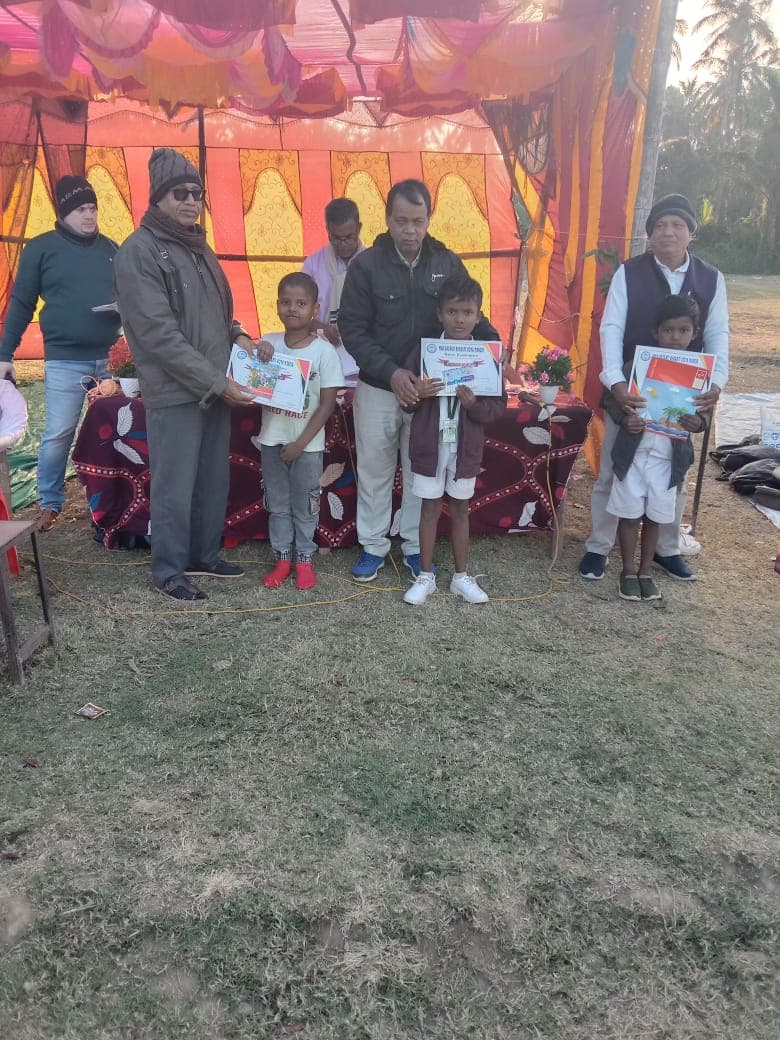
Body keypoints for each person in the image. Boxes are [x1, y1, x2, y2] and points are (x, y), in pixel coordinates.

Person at [113, 148, 266, 601]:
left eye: (197, 194)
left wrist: (239, 337)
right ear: (158, 197)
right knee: (175, 486)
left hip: (214, 387)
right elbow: (159, 336)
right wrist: (217, 383)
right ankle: (169, 571)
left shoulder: (199, 247)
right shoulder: (138, 252)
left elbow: (215, 316)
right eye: (180, 193)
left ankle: (203, 555)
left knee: (211, 480)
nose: (191, 201)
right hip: (177, 391)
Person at [579, 193, 729, 583]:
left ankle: (665, 548)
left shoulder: (711, 279)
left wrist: (715, 384)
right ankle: (599, 547)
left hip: (682, 393)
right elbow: (611, 328)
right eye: (660, 225)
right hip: (632, 388)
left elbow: (718, 335)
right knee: (615, 467)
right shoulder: (629, 273)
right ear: (650, 234)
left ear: (690, 233)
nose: (668, 232)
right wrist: (615, 382)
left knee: (672, 472)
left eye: (677, 225)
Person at [338, 178, 472, 582]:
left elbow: (470, 316)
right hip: (378, 388)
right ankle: (373, 545)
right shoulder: (365, 266)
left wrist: (489, 359)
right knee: (375, 470)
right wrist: (392, 372)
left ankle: (415, 546)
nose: (410, 231)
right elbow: (352, 329)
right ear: (387, 219)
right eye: (401, 221)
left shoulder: (447, 263)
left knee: (422, 472)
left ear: (429, 218)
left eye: (418, 221)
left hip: (430, 393)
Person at [0, 175, 121, 531]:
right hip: (65, 359)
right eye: (81, 209)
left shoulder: (112, 250)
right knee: (58, 432)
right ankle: (50, 503)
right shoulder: (41, 249)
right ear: (64, 212)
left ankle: (114, 499)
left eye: (93, 208)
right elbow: (22, 304)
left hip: (111, 357)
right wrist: (5, 354)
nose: (90, 215)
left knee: (117, 430)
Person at [402, 274, 506, 605]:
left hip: (465, 448)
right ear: (440, 314)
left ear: (478, 315)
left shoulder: (487, 356)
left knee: (460, 508)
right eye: (452, 312)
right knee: (429, 508)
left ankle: (461, 577)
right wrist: (418, 392)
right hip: (429, 446)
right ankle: (425, 576)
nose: (459, 319)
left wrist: (474, 405)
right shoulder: (424, 352)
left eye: (467, 312)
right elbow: (406, 401)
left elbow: (496, 407)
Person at [606, 295, 710, 602]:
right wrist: (625, 419)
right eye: (668, 330)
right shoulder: (636, 365)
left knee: (655, 517)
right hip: (633, 456)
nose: (675, 337)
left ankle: (646, 571)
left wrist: (697, 423)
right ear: (656, 332)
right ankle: (627, 571)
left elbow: (704, 412)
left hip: (668, 462)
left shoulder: (701, 372)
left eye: (683, 330)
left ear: (695, 333)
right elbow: (611, 399)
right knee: (629, 515)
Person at [256, 273, 344, 592]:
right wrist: (257, 354)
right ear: (277, 305)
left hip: (307, 446)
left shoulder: (324, 352)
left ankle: (304, 560)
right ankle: (282, 559)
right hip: (272, 440)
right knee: (277, 503)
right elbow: (253, 382)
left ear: (315, 309)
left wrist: (300, 443)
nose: (292, 308)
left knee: (306, 504)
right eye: (286, 302)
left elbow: (327, 404)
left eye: (301, 303)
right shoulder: (269, 344)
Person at [302, 197, 364, 358]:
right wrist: (315, 325)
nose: (343, 244)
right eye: (336, 238)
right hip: (322, 346)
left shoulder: (372, 263)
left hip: (363, 347)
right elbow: (298, 310)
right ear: (328, 230)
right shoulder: (313, 263)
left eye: (349, 237)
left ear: (359, 228)